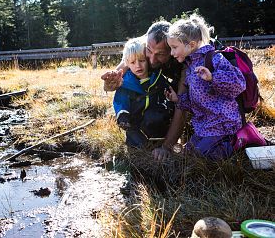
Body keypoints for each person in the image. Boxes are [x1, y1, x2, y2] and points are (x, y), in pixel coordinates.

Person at [101, 21, 186, 161]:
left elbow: (182, 108)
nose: (151, 60)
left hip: (198, 77)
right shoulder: (146, 40)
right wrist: (110, 83)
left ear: (171, 49)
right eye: (149, 51)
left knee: (181, 100)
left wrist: (166, 147)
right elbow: (123, 67)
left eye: (160, 54)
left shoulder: (184, 60)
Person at [165, 14, 246, 160]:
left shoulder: (214, 58)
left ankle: (235, 144)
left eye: (174, 47)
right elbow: (197, 101)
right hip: (204, 126)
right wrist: (178, 99)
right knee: (187, 155)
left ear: (191, 45)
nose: (172, 53)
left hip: (222, 124)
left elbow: (239, 83)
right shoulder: (190, 66)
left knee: (201, 157)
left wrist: (213, 78)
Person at [113, 37, 174, 148]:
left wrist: (170, 103)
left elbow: (167, 93)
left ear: (148, 59)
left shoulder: (157, 77)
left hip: (155, 120)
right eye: (132, 62)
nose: (138, 66)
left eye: (141, 61)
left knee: (155, 119)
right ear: (127, 63)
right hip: (134, 122)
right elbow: (120, 100)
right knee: (137, 143)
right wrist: (122, 114)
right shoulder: (125, 83)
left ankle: (159, 142)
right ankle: (141, 146)